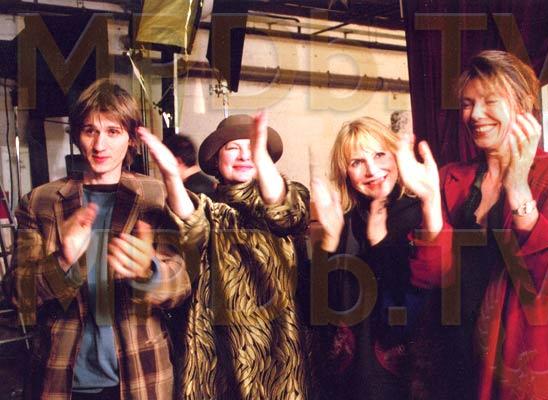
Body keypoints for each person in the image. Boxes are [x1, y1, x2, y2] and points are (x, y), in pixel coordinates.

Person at [3, 79, 191, 399]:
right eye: (90, 130)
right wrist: (62, 261)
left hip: (142, 375)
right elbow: (17, 294)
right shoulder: (40, 202)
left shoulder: (155, 196)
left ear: (131, 139)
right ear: (77, 135)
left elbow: (182, 286)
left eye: (113, 131)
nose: (100, 145)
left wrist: (150, 272)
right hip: (62, 378)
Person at [440, 50, 548, 399]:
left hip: (524, 361)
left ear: (522, 105)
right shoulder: (451, 177)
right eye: (467, 104)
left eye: (490, 101)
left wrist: (518, 186)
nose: (476, 114)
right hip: (457, 353)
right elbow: (435, 270)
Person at [139, 113, 311, 399]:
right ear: (217, 160)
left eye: (252, 147)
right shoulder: (210, 209)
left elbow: (282, 212)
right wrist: (171, 176)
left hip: (278, 355)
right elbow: (191, 225)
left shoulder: (290, 195)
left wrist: (260, 157)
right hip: (219, 358)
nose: (244, 155)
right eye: (233, 148)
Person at [310, 116, 451, 399]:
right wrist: (329, 242)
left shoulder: (421, 216)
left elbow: (407, 317)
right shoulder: (346, 220)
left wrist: (380, 245)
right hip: (354, 380)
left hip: (408, 383)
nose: (372, 170)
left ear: (397, 156)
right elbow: (322, 311)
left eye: (379, 155)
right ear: (345, 173)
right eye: (357, 162)